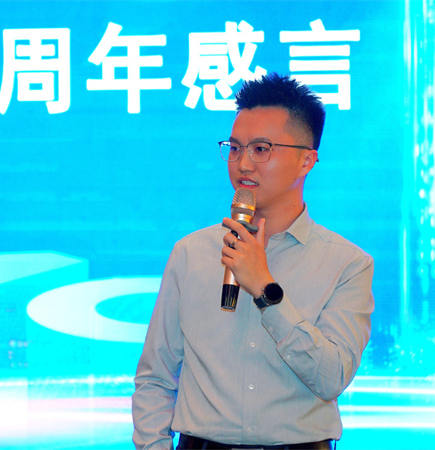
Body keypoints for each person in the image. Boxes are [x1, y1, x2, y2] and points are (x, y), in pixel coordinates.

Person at [132, 73, 375, 450]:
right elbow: (155, 379)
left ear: (306, 160)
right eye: (234, 148)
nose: (243, 163)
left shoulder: (347, 264)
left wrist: (265, 288)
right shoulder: (191, 253)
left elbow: (331, 379)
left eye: (261, 149)